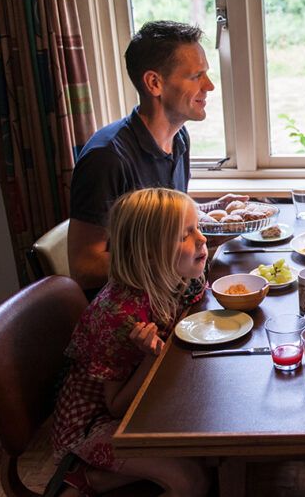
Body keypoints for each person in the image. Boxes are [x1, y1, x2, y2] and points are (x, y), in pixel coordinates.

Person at [52, 188, 210, 496]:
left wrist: (197, 261)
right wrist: (151, 357)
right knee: (192, 480)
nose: (202, 239)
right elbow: (116, 408)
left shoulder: (167, 278)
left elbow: (194, 296)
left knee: (209, 447)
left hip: (146, 401)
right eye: (185, 235)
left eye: (198, 228)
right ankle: (84, 474)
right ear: (150, 252)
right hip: (91, 428)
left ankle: (95, 480)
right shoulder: (119, 316)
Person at [68, 20, 246, 293]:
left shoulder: (179, 138)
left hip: (173, 295)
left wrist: (209, 211)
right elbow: (84, 266)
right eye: (196, 76)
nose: (209, 86)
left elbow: (160, 225)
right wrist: (170, 261)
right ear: (154, 83)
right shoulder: (106, 158)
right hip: (134, 317)